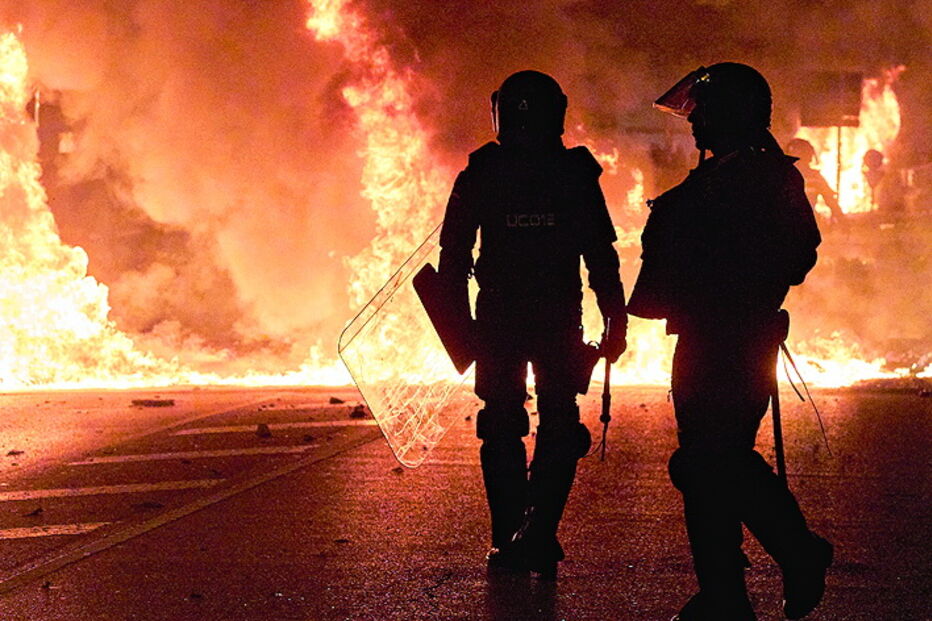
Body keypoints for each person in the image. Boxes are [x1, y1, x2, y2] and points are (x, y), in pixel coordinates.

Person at [628, 63, 833, 620]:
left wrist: (732, 269)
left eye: (705, 114)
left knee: (711, 459)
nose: (695, 126)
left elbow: (798, 255)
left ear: (735, 114)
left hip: (738, 336)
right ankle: (724, 594)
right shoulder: (722, 176)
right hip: (702, 332)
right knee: (703, 461)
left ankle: (797, 552)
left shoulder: (767, 177)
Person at [437, 70, 627, 579]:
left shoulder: (481, 173)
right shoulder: (574, 174)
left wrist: (459, 327)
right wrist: (615, 317)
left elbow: (452, 258)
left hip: (501, 316)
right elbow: (601, 257)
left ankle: (512, 536)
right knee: (558, 419)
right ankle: (538, 531)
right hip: (557, 313)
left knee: (500, 424)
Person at [784, 138, 845, 222]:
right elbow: (831, 201)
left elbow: (831, 201)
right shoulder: (815, 177)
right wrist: (842, 220)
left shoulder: (780, 175)